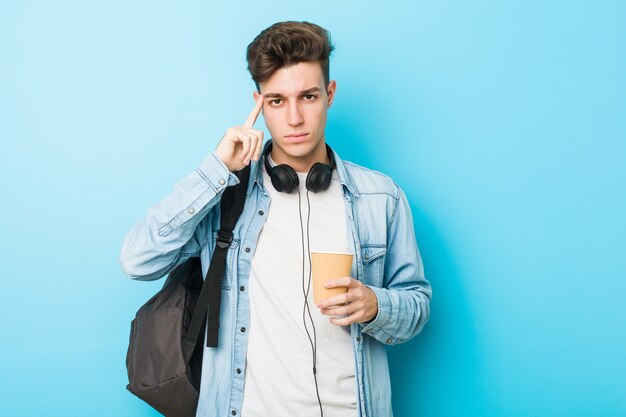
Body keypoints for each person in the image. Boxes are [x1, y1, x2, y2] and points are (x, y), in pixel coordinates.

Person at [120, 20, 432, 417]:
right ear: (258, 102)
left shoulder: (380, 197)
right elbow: (136, 260)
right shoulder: (224, 195)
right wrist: (215, 169)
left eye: (309, 96)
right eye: (277, 101)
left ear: (330, 94)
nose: (296, 118)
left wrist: (375, 305)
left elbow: (417, 305)